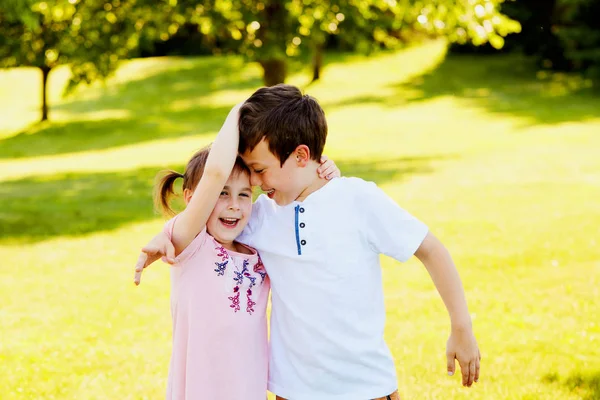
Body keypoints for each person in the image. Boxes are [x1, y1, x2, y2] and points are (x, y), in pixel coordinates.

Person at [136, 85, 481, 400]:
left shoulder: (358, 199)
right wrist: (167, 233)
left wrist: (461, 327)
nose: (254, 182)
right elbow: (202, 220)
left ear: (302, 156)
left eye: (260, 169)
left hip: (368, 388)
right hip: (293, 392)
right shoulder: (260, 217)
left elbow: (431, 250)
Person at [137, 103, 340, 400]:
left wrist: (326, 171)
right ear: (194, 199)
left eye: (244, 194)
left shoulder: (257, 245)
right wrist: (242, 109)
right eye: (222, 194)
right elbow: (216, 172)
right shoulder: (193, 245)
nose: (234, 205)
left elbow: (300, 201)